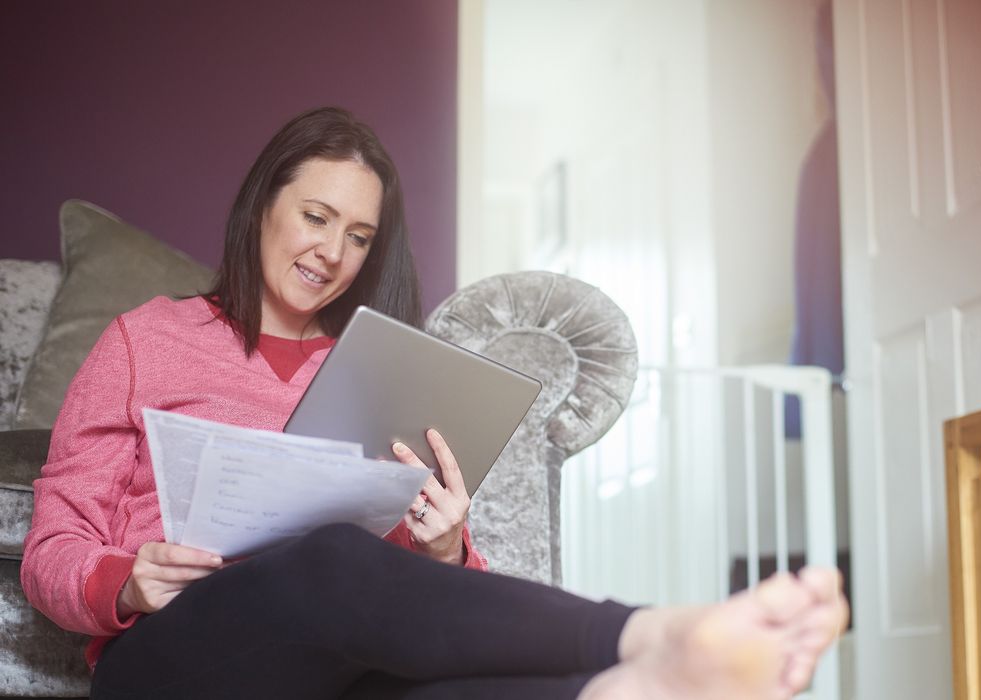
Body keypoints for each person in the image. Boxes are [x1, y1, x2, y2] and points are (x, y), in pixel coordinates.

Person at [21, 106, 849, 699]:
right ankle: (650, 632)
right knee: (329, 559)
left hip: (333, 666)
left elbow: (427, 603)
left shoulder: (376, 371)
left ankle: (629, 685)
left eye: (358, 236)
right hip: (174, 660)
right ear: (262, 204)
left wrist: (449, 546)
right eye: (315, 216)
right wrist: (127, 581)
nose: (332, 253)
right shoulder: (146, 339)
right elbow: (52, 547)